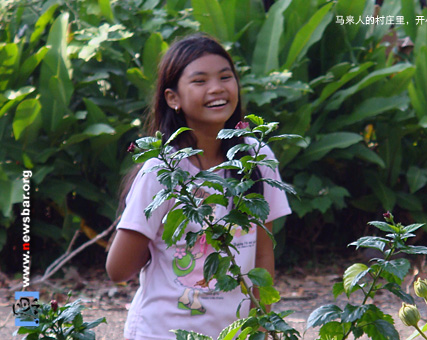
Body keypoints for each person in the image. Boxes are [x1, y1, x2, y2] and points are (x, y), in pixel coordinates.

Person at [106, 33, 292, 340]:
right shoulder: (162, 171)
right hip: (163, 333)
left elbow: (262, 255)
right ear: (172, 98)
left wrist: (261, 324)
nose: (217, 88)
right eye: (200, 81)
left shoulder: (255, 157)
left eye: (225, 77)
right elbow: (118, 269)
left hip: (234, 334)